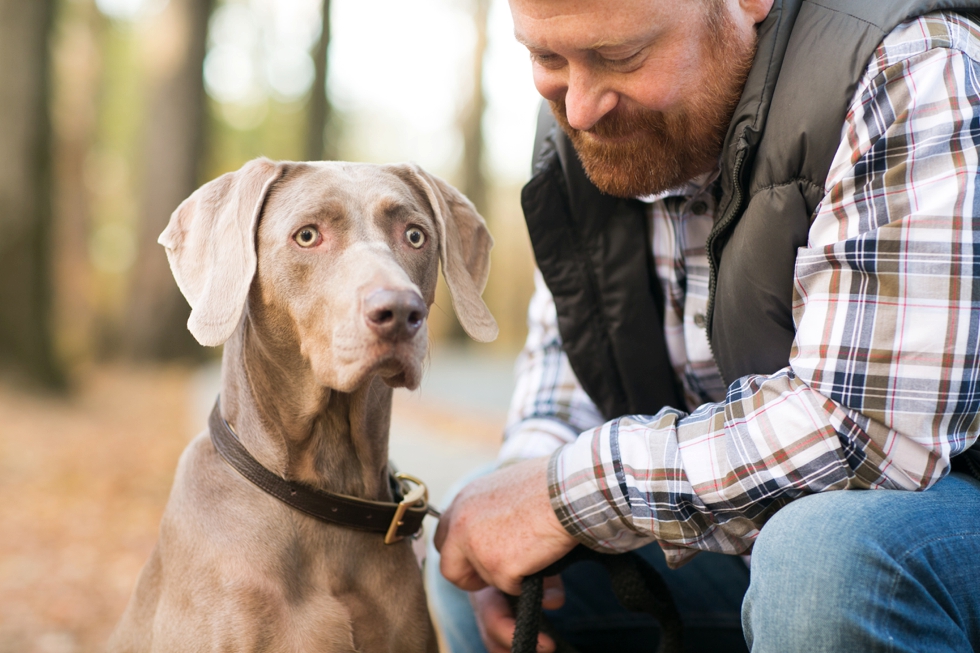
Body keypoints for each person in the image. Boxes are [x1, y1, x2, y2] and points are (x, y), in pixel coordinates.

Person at [431, 0, 980, 652]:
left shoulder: (909, 65)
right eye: (547, 58)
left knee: (825, 560)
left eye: (620, 57)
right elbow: (567, 375)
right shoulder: (588, 122)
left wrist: (563, 492)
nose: (578, 106)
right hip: (747, 546)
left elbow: (863, 433)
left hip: (931, 517)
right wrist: (520, 499)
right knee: (478, 535)